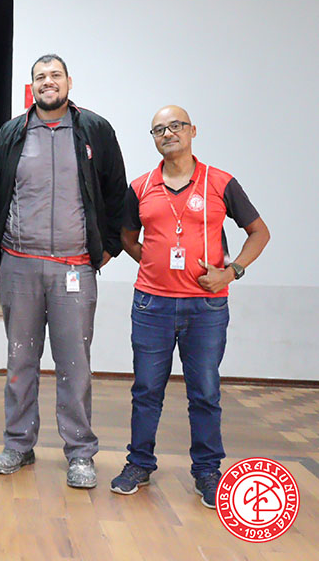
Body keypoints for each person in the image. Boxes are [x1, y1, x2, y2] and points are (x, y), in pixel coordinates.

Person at [110, 105, 269, 508]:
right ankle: (139, 464)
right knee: (147, 390)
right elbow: (127, 237)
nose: (168, 133)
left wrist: (231, 271)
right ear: (154, 139)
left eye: (175, 126)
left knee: (205, 392)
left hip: (206, 308)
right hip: (152, 305)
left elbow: (259, 232)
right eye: (159, 129)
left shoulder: (221, 182)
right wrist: (152, 262)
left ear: (192, 130)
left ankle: (208, 471)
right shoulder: (141, 186)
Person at [0, 54, 127, 488]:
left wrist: (110, 246)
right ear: (32, 86)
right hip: (19, 265)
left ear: (69, 82)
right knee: (20, 360)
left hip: (74, 267)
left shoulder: (94, 130)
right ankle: (18, 444)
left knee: (75, 365)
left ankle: (80, 453)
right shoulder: (12, 133)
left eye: (55, 75)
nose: (49, 82)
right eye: (41, 77)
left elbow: (116, 192)